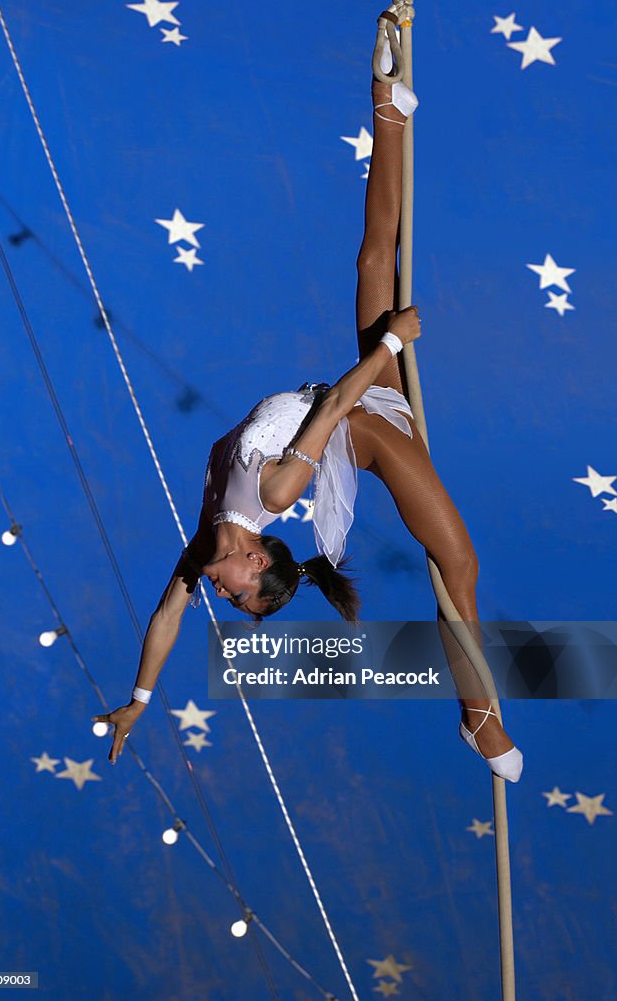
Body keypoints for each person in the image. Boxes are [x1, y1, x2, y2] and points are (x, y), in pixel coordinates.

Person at [94, 38, 523, 783]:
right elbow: (333, 410)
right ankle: (480, 715)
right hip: (366, 409)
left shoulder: (206, 540)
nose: (219, 596)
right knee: (459, 561)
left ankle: (387, 112)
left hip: (360, 396)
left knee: (370, 260)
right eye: (237, 594)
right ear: (257, 560)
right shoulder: (277, 496)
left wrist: (139, 698)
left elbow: (166, 618)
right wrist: (390, 340)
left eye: (224, 598)